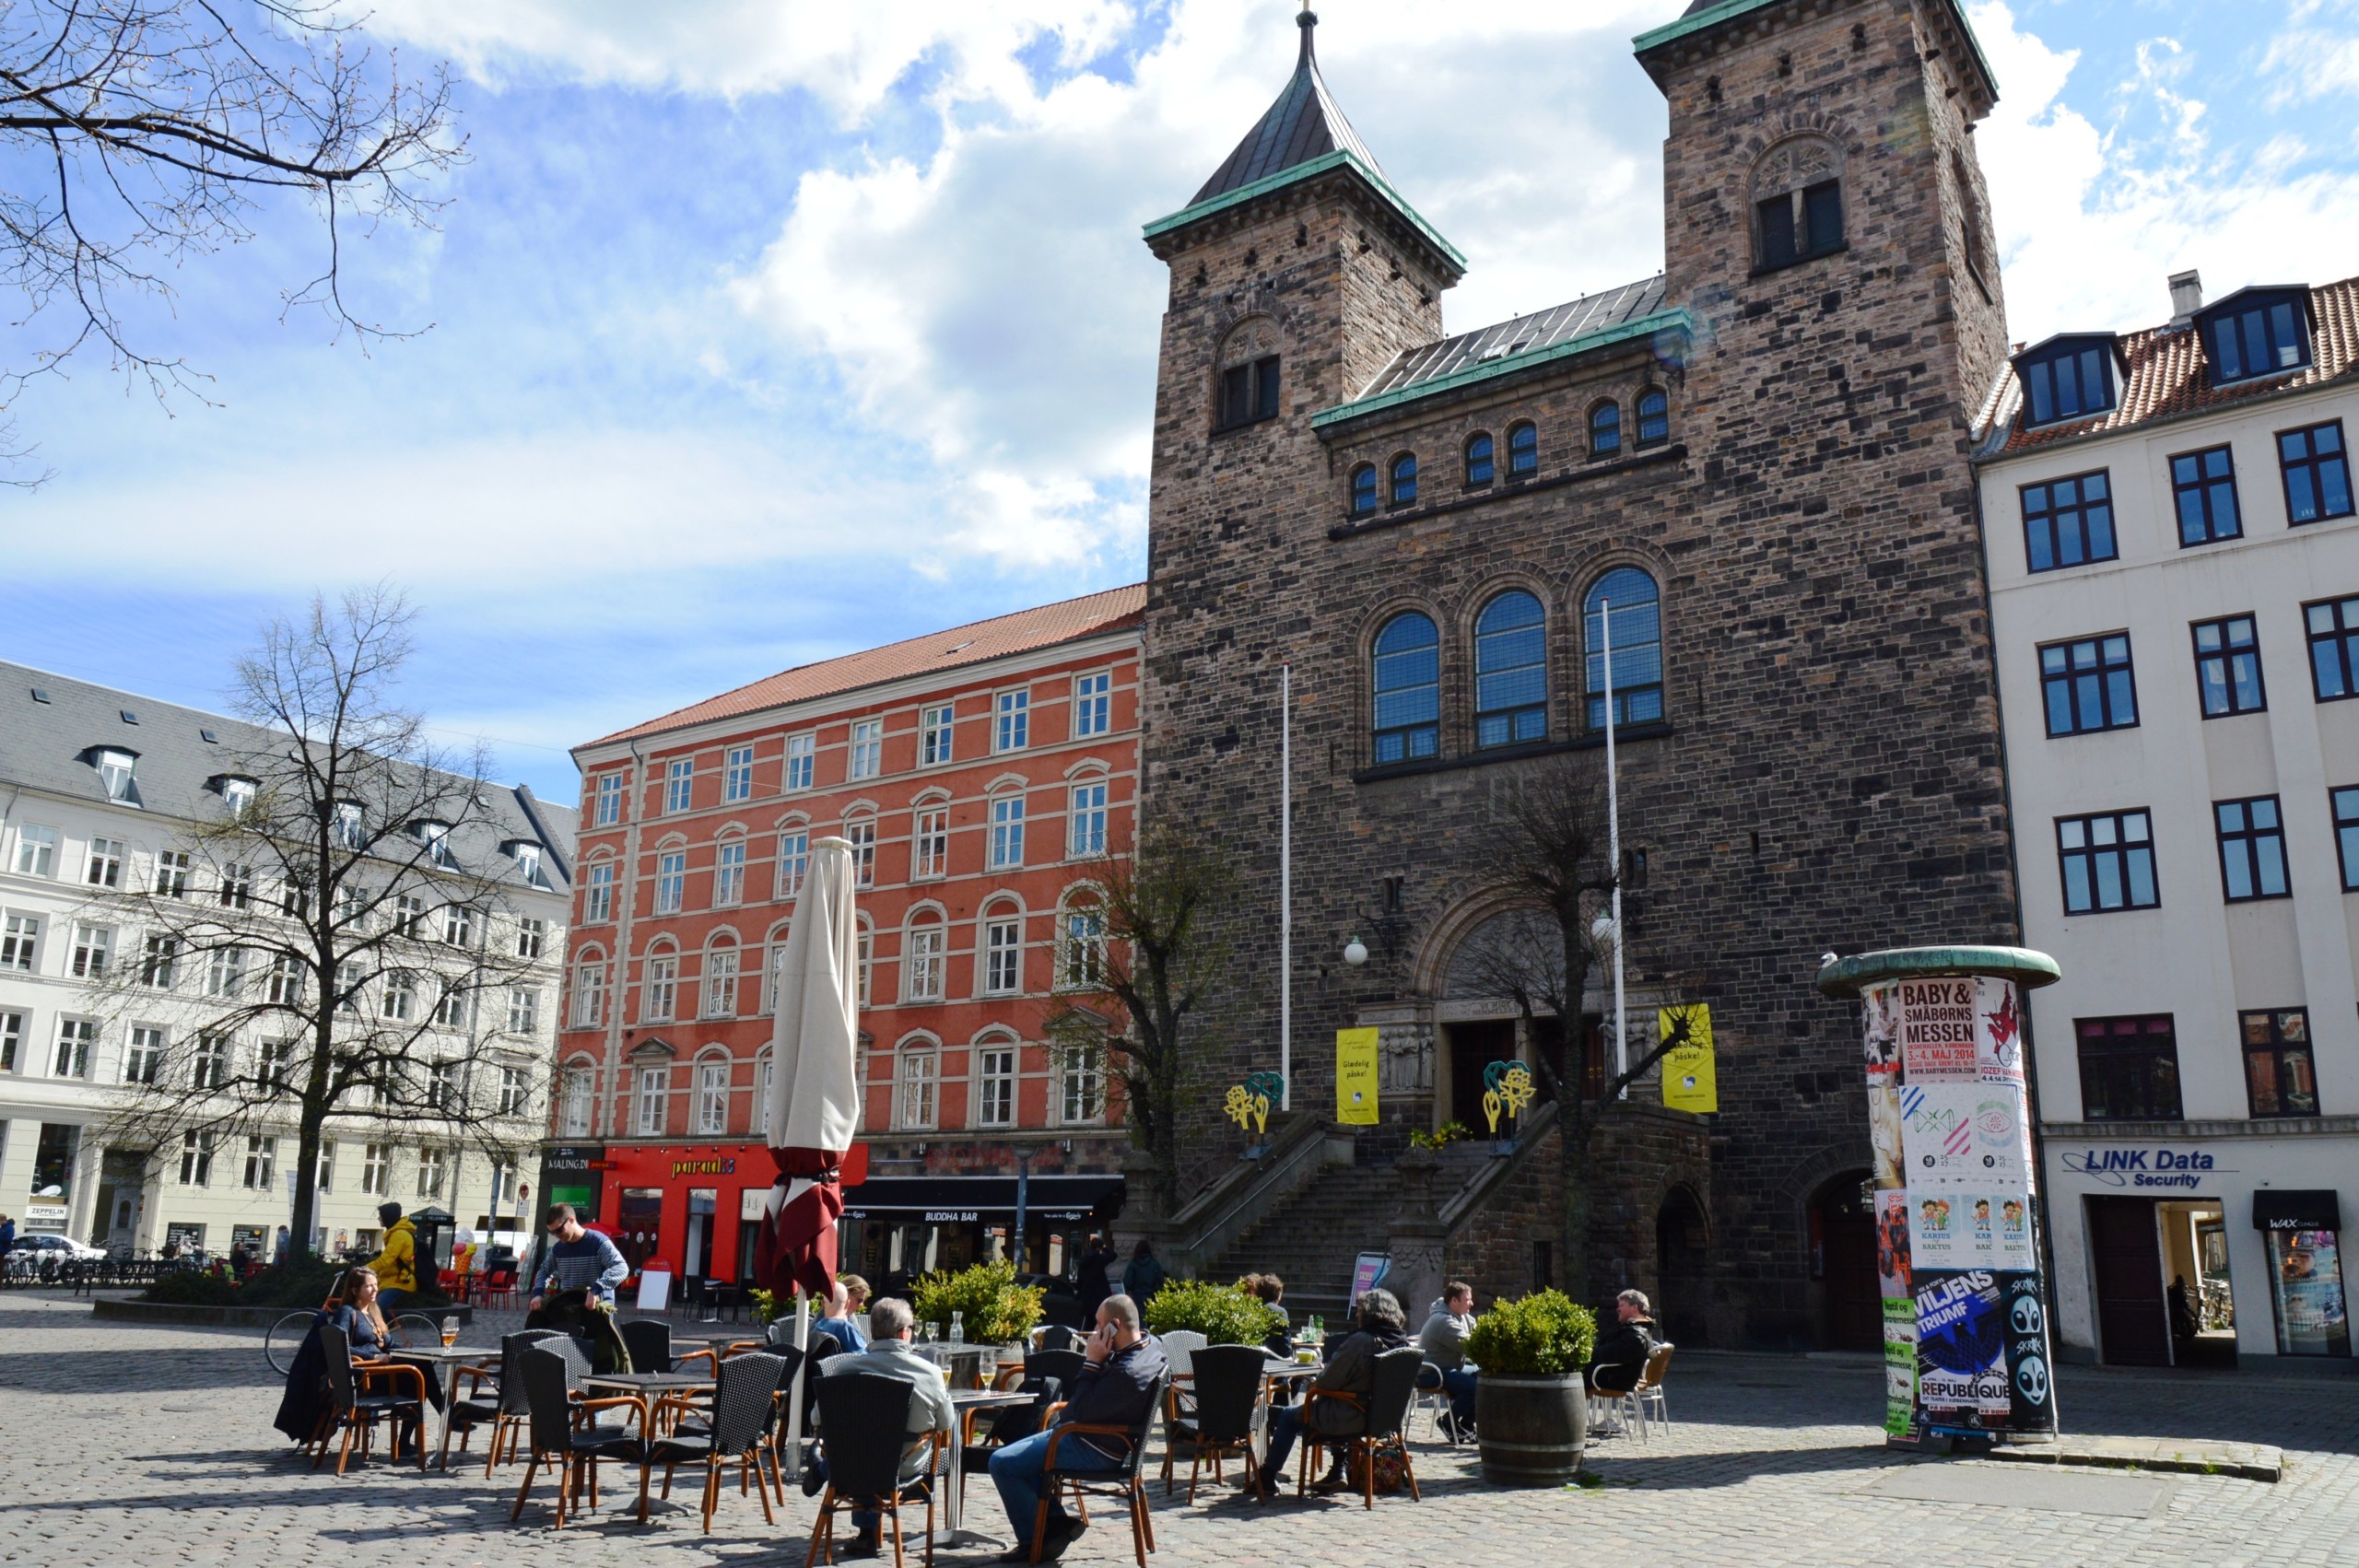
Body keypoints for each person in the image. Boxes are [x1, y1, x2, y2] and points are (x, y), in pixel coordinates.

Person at [989, 1293, 1168, 1563]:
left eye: (1099, 1325)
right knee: (1020, 1460)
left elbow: (1075, 1412)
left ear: (1114, 1326)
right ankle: (1055, 1523)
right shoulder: (1152, 1345)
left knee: (1001, 1462)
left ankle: (1033, 1541)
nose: (1095, 1331)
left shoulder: (1127, 1373)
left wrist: (1093, 1361)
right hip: (1102, 1439)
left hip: (1094, 1447)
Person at [808, 1296, 957, 1561]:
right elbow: (946, 1423)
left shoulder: (845, 1368)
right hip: (902, 1465)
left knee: (861, 1445)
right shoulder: (929, 1373)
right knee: (879, 1450)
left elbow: (817, 1418)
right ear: (903, 1332)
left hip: (851, 1465)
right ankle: (829, 1476)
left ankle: (861, 1526)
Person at [1250, 1286, 1413, 1497]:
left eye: (1360, 1309)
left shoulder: (1361, 1341)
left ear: (1369, 1313)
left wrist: (1318, 1378)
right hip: (1385, 1420)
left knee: (1289, 1416)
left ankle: (1267, 1477)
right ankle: (1338, 1469)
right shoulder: (1403, 1345)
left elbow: (1327, 1383)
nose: (1357, 1314)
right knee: (1331, 1403)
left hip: (1352, 1416)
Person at [524, 1204, 633, 1373]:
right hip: (571, 1312)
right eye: (552, 1233)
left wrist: (596, 1289)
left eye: (559, 1230)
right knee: (571, 1363)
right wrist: (538, 1294)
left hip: (596, 1313)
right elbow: (543, 1271)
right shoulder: (559, 1249)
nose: (556, 1236)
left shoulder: (597, 1241)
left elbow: (621, 1268)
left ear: (571, 1220)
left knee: (600, 1363)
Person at [1417, 1281, 1480, 1438]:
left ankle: (1466, 1425)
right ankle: (1447, 1422)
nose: (1471, 1303)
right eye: (1467, 1300)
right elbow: (1470, 1346)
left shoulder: (1462, 1316)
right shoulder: (1444, 1321)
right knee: (1473, 1387)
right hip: (1430, 1373)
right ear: (1454, 1301)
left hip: (1450, 1368)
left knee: (1484, 1377)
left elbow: (1479, 1331)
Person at [1588, 1289, 1661, 1398]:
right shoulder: (1635, 1329)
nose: (1618, 1309)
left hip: (1614, 1380)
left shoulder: (1636, 1335)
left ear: (1634, 1308)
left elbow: (1607, 1355)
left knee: (1573, 1375)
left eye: (1621, 1305)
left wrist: (1585, 1355)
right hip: (1612, 1375)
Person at [366, 1202, 420, 1309]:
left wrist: (363, 1269)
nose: (378, 1218)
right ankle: (385, 1323)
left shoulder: (399, 1235)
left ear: (387, 1217)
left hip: (399, 1282)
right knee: (369, 1306)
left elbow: (386, 1260)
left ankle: (384, 1325)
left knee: (375, 1309)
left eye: (381, 1215)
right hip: (392, 1279)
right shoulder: (396, 1233)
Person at [811, 1279, 870, 1355]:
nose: (862, 1305)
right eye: (859, 1300)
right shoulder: (844, 1326)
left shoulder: (821, 1323)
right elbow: (862, 1351)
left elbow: (862, 1339)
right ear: (847, 1296)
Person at [1073, 1235, 1116, 1321]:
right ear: (1098, 1248)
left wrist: (1080, 1291)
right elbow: (1113, 1255)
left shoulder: (1084, 1259)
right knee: (1100, 1321)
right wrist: (1104, 1248)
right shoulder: (1099, 1259)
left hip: (1087, 1295)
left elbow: (1079, 1279)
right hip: (1100, 1294)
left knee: (1089, 1321)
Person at [1120, 1237, 1166, 1306]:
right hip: (1151, 1295)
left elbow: (1127, 1282)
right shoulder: (1155, 1263)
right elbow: (1162, 1281)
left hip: (1137, 1296)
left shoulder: (1133, 1264)